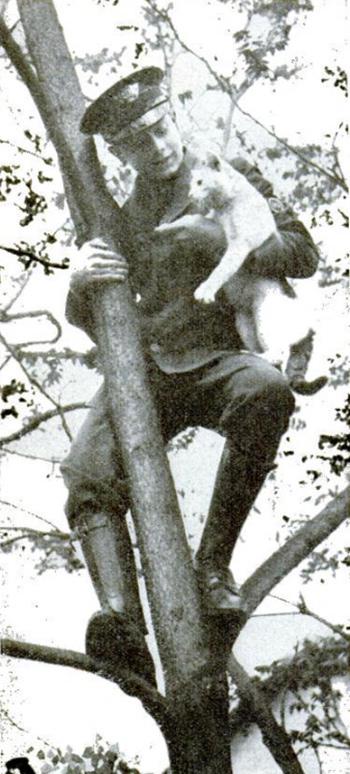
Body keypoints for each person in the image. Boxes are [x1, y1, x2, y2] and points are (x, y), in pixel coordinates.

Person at [61, 67, 319, 680]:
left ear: (173, 114)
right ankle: (121, 623)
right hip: (147, 368)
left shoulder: (228, 176)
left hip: (218, 355)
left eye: (160, 127)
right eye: (137, 142)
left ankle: (212, 571)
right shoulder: (118, 215)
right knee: (85, 470)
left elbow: (303, 254)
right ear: (119, 152)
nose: (157, 147)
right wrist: (77, 285)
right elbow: (101, 316)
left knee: (266, 390)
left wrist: (217, 237)